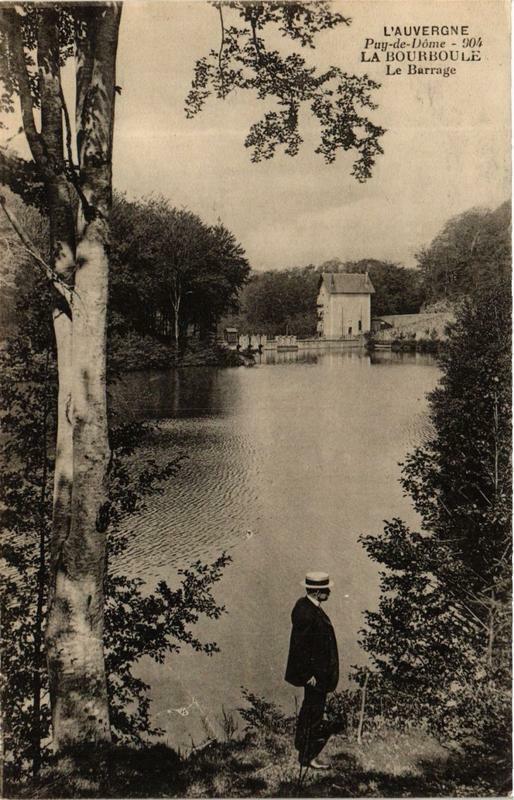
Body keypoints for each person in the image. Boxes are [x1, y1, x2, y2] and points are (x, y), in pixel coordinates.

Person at [285, 571, 339, 770]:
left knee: (310, 708)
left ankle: (302, 746)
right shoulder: (307, 613)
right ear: (316, 592)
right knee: (314, 712)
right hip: (315, 675)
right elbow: (300, 647)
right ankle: (308, 757)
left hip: (316, 672)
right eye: (326, 590)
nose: (329, 593)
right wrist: (308, 674)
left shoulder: (307, 606)